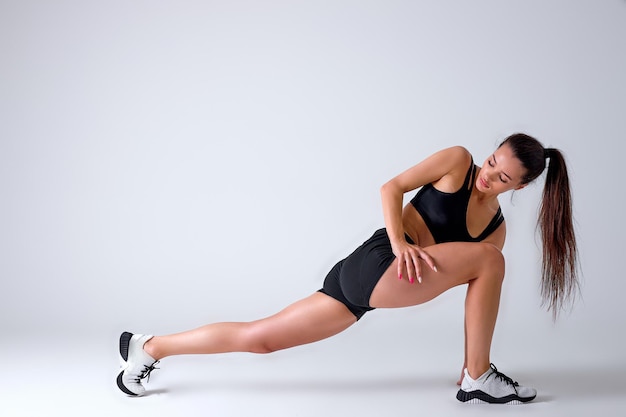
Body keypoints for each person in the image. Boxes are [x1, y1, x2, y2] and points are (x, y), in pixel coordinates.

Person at [116, 133, 579, 404]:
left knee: (260, 339)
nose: (489, 174)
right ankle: (476, 375)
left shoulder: (493, 232)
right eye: (494, 160)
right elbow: (391, 187)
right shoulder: (457, 163)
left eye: (502, 177)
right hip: (378, 259)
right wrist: (401, 244)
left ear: (520, 187)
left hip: (361, 286)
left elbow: (461, 284)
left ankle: (150, 347)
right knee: (491, 261)